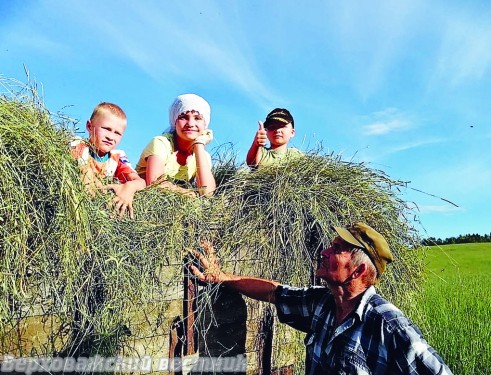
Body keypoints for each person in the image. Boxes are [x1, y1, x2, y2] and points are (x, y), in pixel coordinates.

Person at [189, 223, 453, 375]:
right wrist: (221, 277)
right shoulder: (323, 304)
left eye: (337, 249)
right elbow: (273, 291)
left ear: (359, 271)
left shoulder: (389, 327)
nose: (325, 252)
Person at [70, 102, 146, 219]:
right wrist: (86, 171)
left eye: (117, 133)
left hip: (98, 214)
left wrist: (129, 188)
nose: (110, 137)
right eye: (106, 129)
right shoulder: (78, 145)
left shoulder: (117, 158)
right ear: (89, 126)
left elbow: (141, 182)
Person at [136, 94, 216, 197]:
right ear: (174, 121)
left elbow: (207, 193)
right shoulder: (161, 143)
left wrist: (199, 144)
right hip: (143, 198)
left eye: (197, 118)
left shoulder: (203, 156)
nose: (190, 123)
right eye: (183, 117)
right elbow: (155, 183)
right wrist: (191, 194)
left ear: (205, 124)